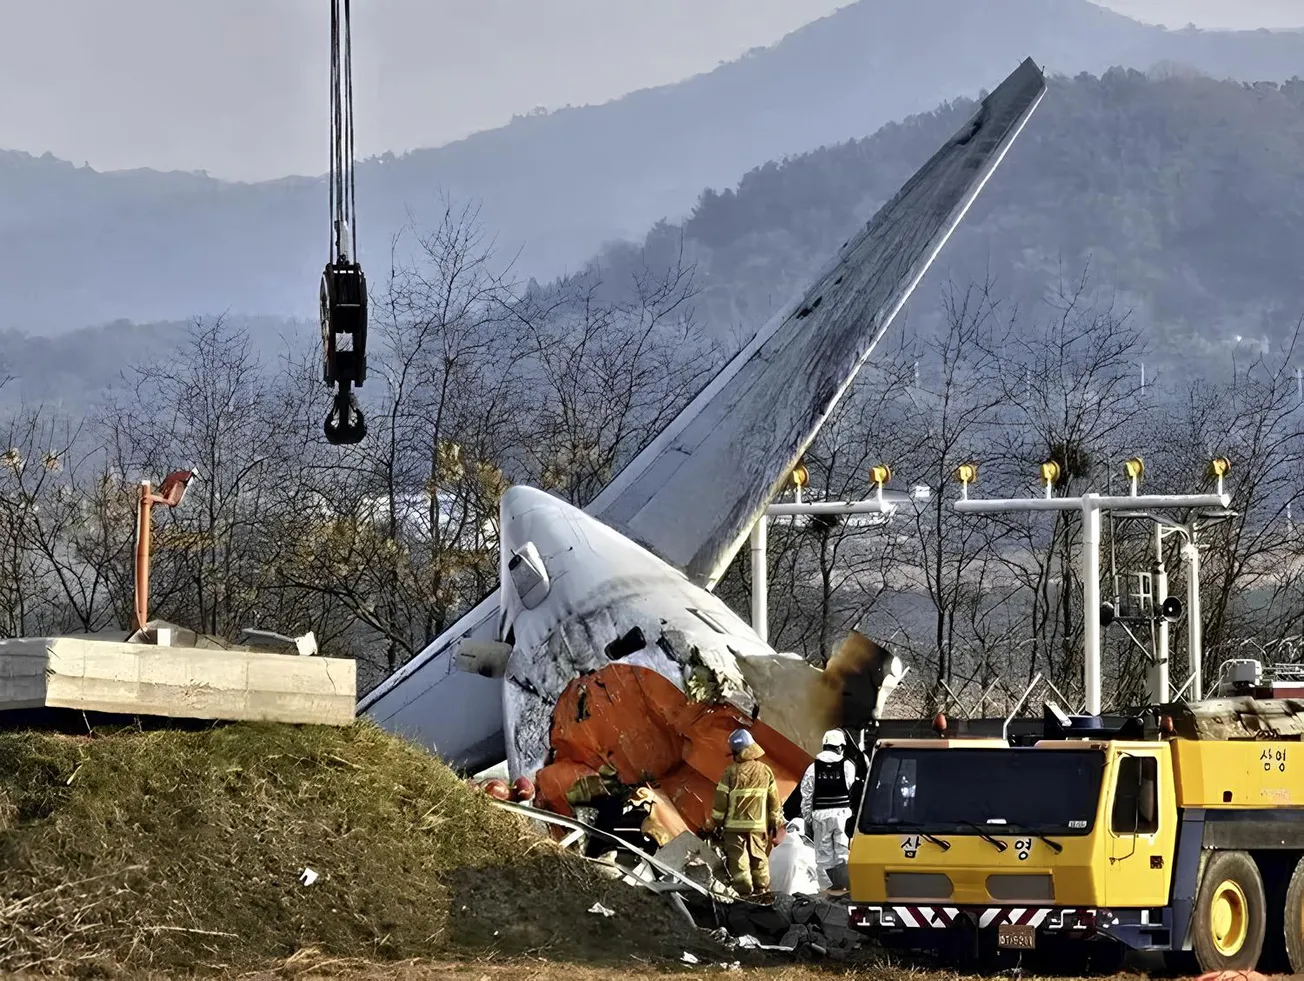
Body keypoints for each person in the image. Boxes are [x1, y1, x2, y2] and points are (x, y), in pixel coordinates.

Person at [706, 727, 783, 898]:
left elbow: (720, 801)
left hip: (733, 827)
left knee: (738, 862)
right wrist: (773, 821)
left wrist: (716, 823)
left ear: (736, 752)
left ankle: (744, 896)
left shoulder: (730, 772)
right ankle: (762, 892)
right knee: (759, 860)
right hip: (757, 826)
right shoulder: (765, 771)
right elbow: (774, 801)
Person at [800, 728, 858, 892]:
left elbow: (806, 796)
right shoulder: (848, 766)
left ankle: (827, 892)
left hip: (821, 816)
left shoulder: (812, 768)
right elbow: (851, 789)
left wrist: (808, 819)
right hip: (842, 816)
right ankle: (845, 889)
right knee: (842, 854)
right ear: (840, 747)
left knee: (824, 858)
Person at [768, 817, 820, 896]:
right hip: (798, 898)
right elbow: (820, 877)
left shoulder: (774, 851)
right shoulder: (806, 851)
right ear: (803, 837)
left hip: (775, 897)